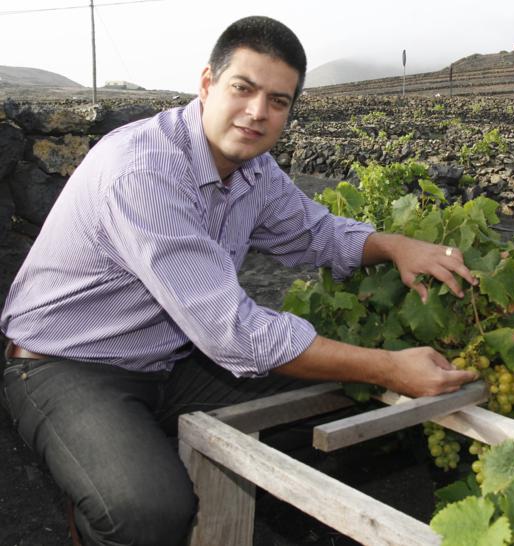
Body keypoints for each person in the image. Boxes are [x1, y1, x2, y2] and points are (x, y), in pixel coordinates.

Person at [0, 16, 477, 546]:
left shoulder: (253, 169)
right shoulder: (143, 170)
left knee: (334, 388)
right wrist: (389, 367)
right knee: (148, 510)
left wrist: (393, 244)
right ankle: (97, 501)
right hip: (68, 366)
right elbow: (233, 331)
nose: (257, 113)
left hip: (169, 359)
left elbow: (314, 231)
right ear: (207, 84)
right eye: (243, 89)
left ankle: (132, 450)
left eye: (278, 101)